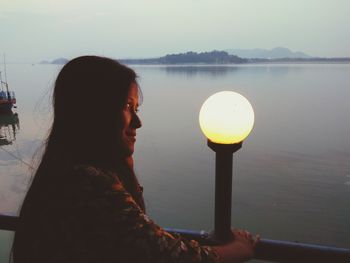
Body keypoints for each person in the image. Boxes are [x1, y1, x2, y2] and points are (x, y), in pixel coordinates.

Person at [12, 56, 258, 263]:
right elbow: (166, 255)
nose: (137, 123)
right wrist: (237, 250)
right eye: (127, 107)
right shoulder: (86, 182)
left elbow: (133, 234)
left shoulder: (63, 171)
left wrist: (126, 167)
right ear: (95, 111)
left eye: (136, 109)